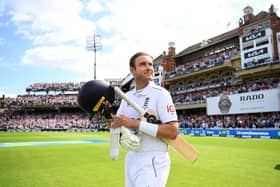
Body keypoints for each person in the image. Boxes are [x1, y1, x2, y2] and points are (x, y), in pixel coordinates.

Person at [111, 52, 178, 187]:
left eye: (150, 64)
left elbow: (172, 131)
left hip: (153, 158)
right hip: (131, 157)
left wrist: (135, 124)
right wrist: (105, 113)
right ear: (132, 70)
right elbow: (115, 126)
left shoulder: (161, 94)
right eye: (143, 64)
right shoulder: (127, 97)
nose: (148, 67)